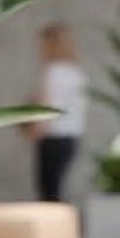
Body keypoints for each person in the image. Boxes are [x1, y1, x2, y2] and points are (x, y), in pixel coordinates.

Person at [30, 23, 85, 202]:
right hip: (71, 138)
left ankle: (54, 229)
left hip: (53, 138)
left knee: (49, 193)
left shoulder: (53, 72)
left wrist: (34, 131)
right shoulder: (76, 73)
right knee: (57, 189)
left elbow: (48, 110)